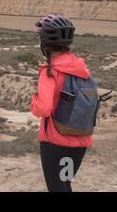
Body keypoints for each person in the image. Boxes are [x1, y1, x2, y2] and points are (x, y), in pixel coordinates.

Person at [31, 15, 93, 192]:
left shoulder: (50, 72)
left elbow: (42, 109)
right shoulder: (81, 69)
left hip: (55, 144)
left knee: (57, 188)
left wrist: (34, 100)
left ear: (44, 42)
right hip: (80, 142)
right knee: (65, 185)